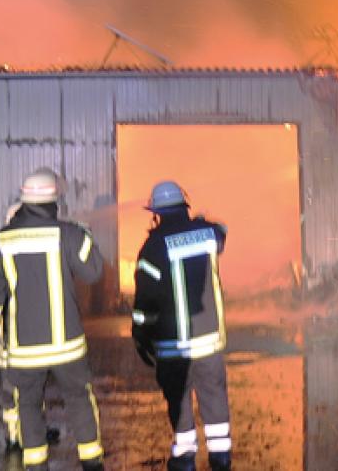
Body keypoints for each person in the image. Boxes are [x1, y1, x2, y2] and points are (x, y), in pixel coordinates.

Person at [0, 169, 105, 471]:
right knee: (79, 400)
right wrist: (85, 235)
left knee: (28, 407)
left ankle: (35, 464)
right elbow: (94, 271)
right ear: (55, 199)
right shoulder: (69, 233)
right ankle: (92, 462)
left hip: (24, 350)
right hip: (67, 347)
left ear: (23, 199)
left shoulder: (2, 240)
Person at [131, 181, 232, 471]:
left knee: (179, 399)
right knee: (214, 396)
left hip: (172, 345)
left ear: (156, 213)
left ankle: (185, 456)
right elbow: (222, 230)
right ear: (184, 206)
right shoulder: (208, 235)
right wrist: (201, 222)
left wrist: (140, 335)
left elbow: (145, 301)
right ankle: (221, 456)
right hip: (209, 340)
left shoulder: (151, 248)